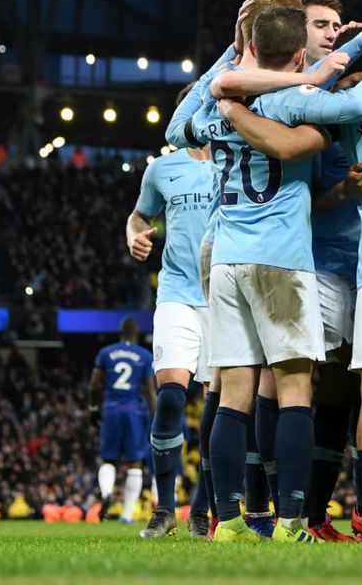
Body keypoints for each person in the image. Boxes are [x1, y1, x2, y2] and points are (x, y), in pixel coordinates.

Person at [196, 6, 362, 543]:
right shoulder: (290, 101)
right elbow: (353, 103)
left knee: (234, 394)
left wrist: (229, 68)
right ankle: (290, 522)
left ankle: (231, 522)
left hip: (227, 260)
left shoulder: (216, 106)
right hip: (281, 258)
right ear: (294, 56)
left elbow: (183, 125)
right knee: (293, 392)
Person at [126, 112, 214, 538]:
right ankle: (164, 509)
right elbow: (139, 216)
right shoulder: (162, 168)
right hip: (178, 293)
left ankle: (201, 510)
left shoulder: (236, 157)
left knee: (221, 410)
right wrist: (135, 235)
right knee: (171, 399)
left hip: (225, 296)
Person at [89, 318, 155, 524]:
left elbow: (93, 386)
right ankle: (126, 514)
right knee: (135, 462)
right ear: (137, 334)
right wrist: (155, 418)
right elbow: (149, 390)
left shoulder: (106, 352)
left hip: (111, 410)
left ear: (120, 332)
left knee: (109, 459)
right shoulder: (144, 356)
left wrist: (93, 409)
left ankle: (107, 493)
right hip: (134, 412)